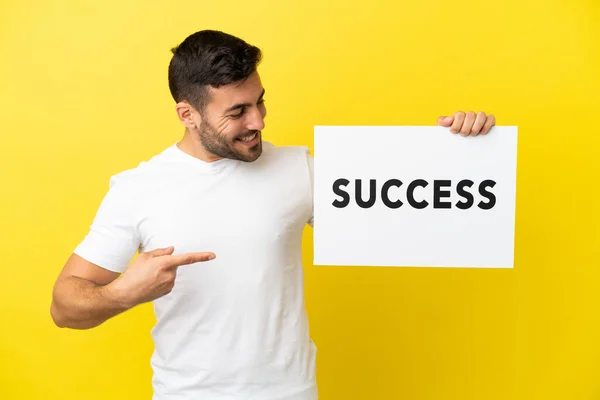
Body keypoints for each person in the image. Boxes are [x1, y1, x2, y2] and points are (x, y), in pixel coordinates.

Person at [50, 29, 496, 400]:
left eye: (260, 101)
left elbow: (414, 216)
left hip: (290, 392)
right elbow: (64, 306)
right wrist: (125, 292)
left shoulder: (297, 169)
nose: (259, 121)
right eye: (238, 111)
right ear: (187, 114)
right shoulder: (138, 188)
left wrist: (461, 152)